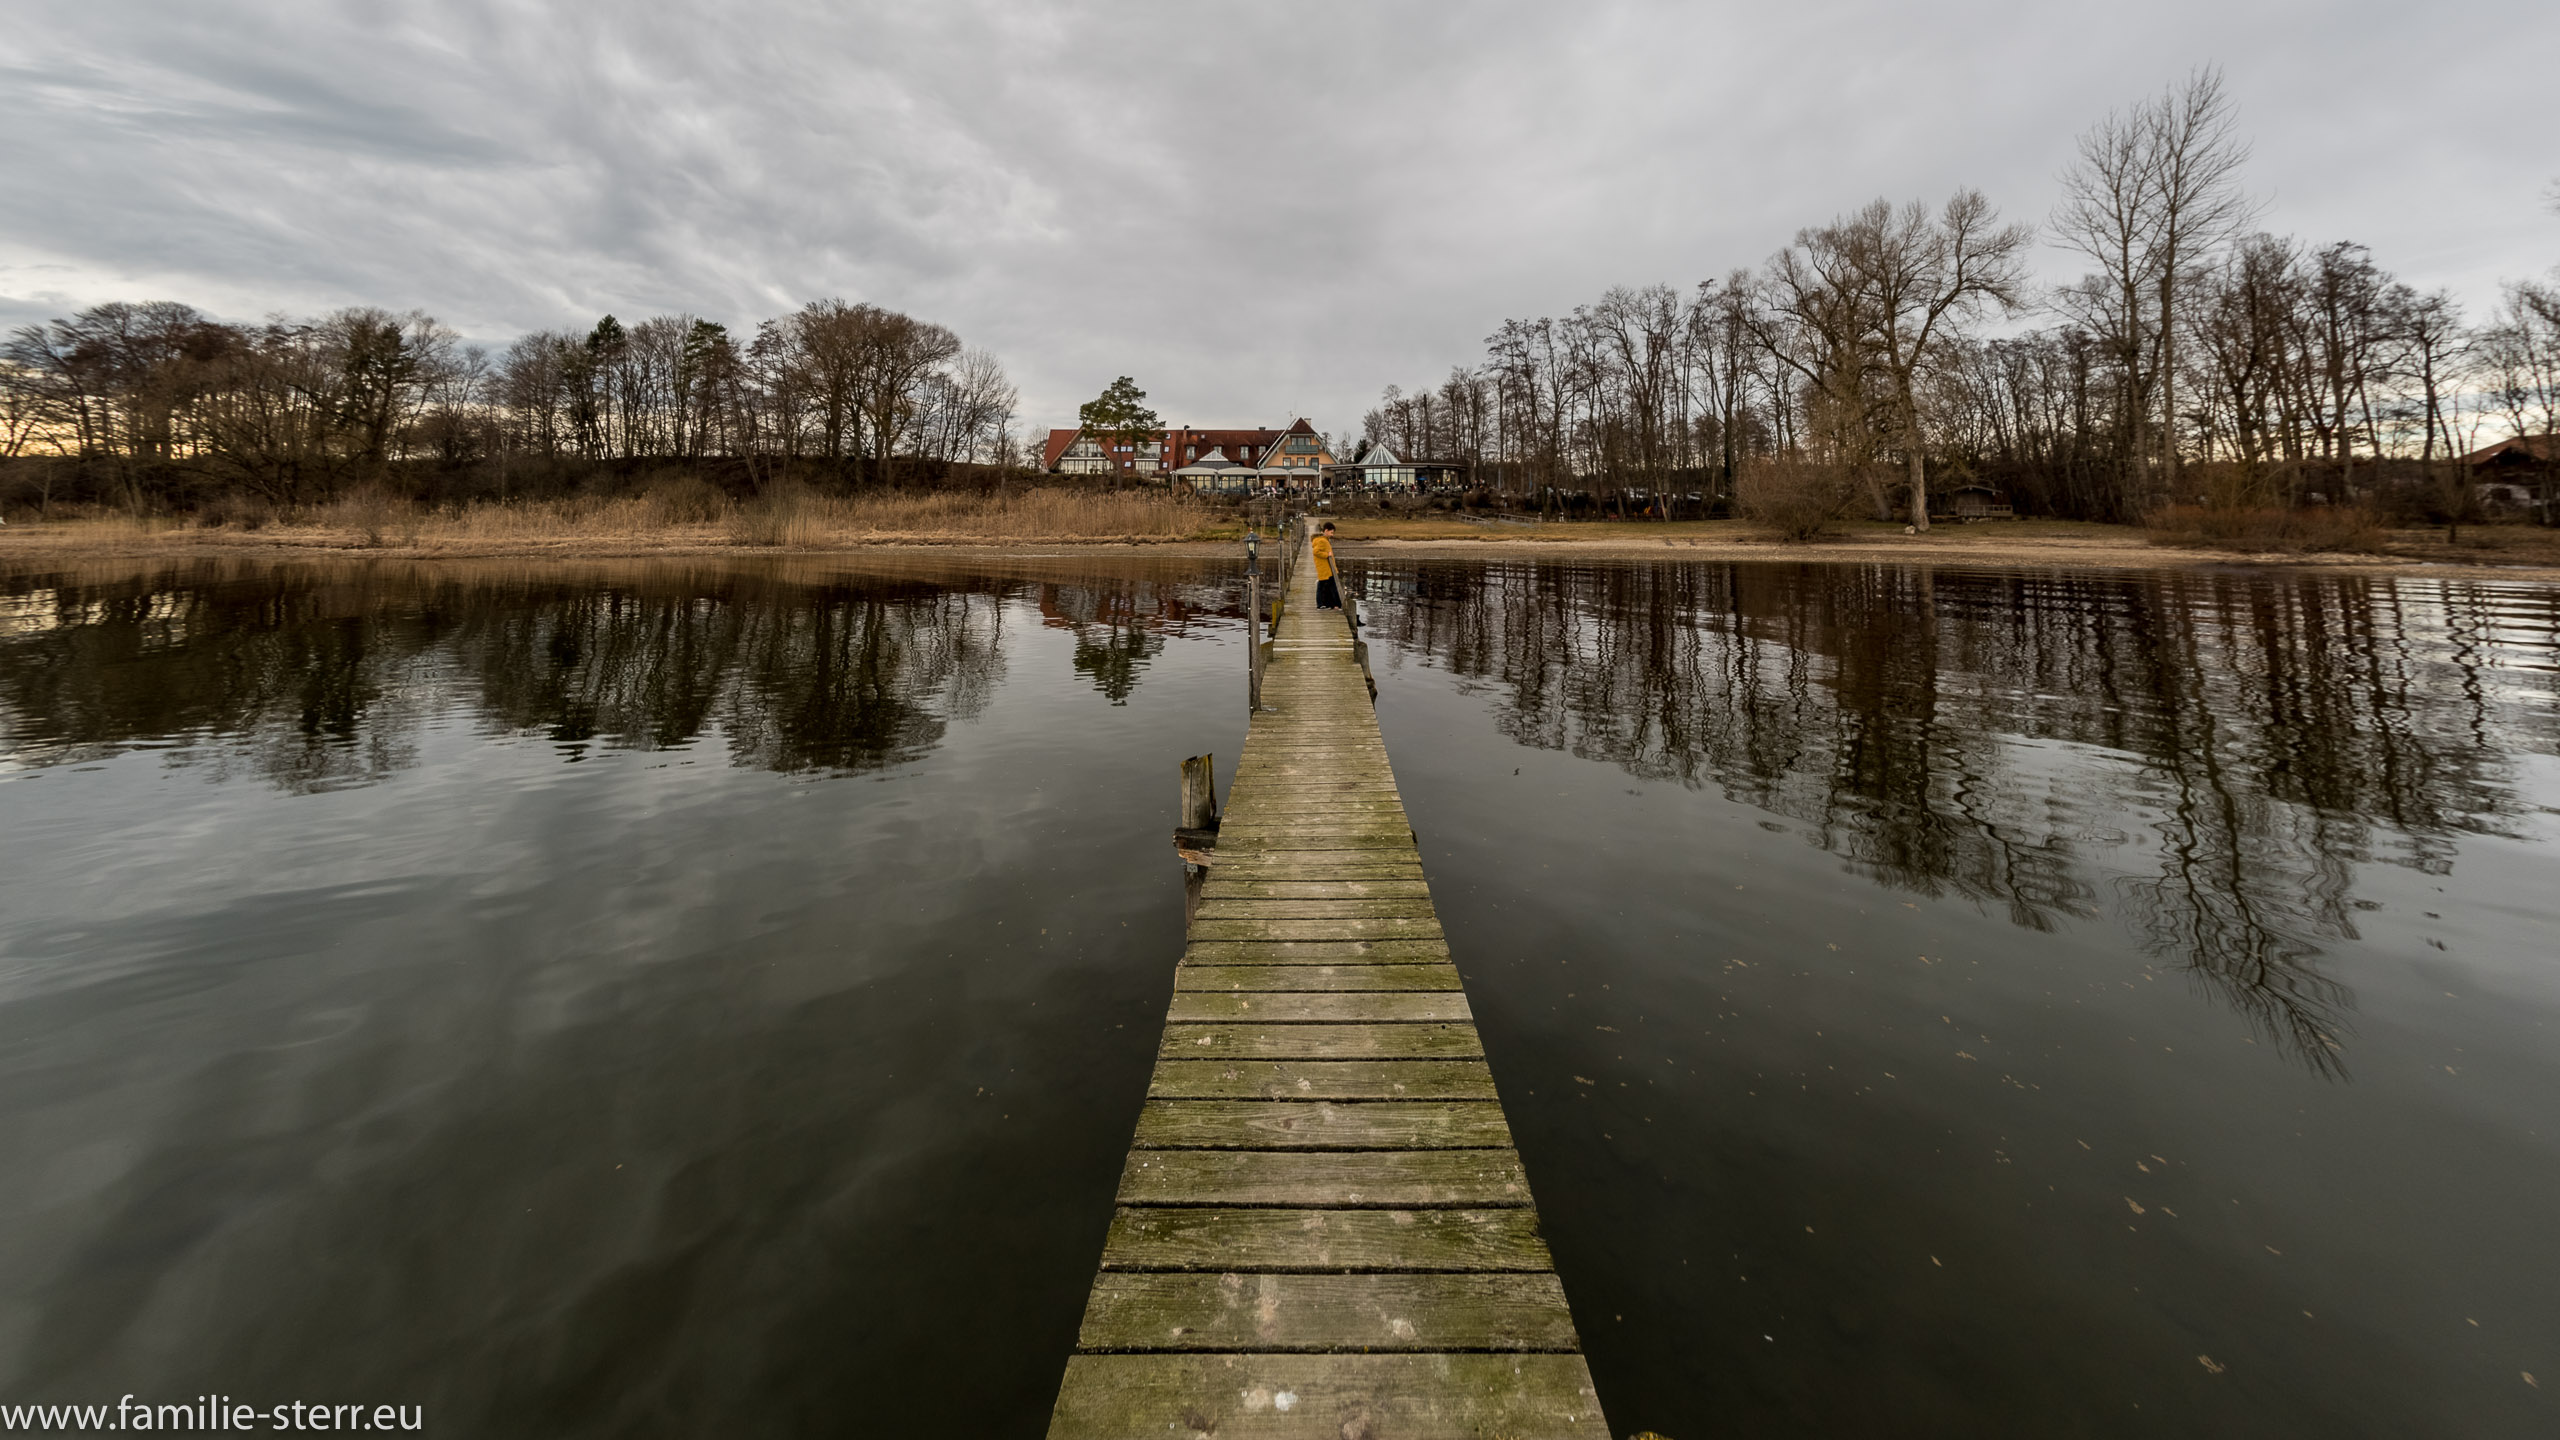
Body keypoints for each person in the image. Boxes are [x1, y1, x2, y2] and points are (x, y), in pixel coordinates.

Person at [1312, 521, 1341, 610]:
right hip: (1325, 569)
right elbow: (1315, 552)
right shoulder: (1322, 541)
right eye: (1331, 532)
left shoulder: (1325, 541)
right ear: (1326, 530)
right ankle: (1324, 604)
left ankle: (1331, 604)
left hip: (1327, 569)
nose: (1332, 535)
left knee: (1328, 586)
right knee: (1324, 587)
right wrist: (1326, 555)